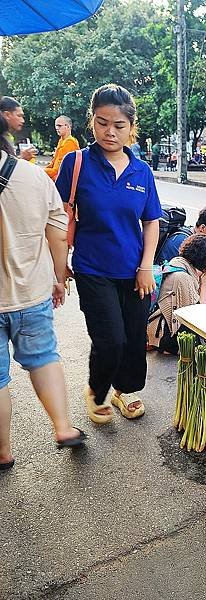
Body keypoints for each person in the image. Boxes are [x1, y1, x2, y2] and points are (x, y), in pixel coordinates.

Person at [56, 84, 162, 424]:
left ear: (131, 127)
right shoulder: (77, 163)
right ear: (92, 122)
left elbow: (151, 223)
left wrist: (146, 266)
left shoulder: (142, 171)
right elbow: (59, 218)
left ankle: (124, 390)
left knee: (133, 338)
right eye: (102, 123)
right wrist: (58, 268)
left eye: (118, 125)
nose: (110, 132)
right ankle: (97, 389)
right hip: (92, 269)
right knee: (110, 338)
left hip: (134, 272)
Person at [0, 116, 86, 470]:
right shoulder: (34, 177)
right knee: (44, 357)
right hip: (33, 293)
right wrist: (58, 277)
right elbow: (57, 233)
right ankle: (63, 427)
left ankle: (3, 451)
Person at [147, 234, 206, 355]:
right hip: (166, 337)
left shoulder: (178, 263)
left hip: (162, 328)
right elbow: (199, 316)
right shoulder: (182, 277)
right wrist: (204, 285)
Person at [157, 206, 206, 291]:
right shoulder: (184, 240)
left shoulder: (193, 236)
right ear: (202, 228)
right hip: (168, 278)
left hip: (180, 272)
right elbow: (192, 269)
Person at [0, 96, 37, 161]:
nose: (23, 121)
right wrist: (22, 158)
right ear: (7, 115)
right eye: (19, 116)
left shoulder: (8, 136)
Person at [44, 115, 80, 181]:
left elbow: (59, 169)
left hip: (63, 180)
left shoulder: (70, 142)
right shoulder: (61, 141)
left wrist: (43, 172)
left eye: (59, 126)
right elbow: (53, 163)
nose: (57, 128)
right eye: (56, 126)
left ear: (68, 127)